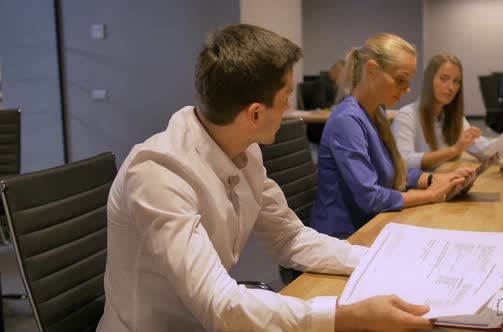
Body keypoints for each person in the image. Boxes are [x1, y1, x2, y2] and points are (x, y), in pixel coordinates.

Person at [97, 24, 433, 332]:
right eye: (286, 98)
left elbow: (289, 238)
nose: (288, 109)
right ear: (256, 113)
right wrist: (347, 316)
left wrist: (379, 262)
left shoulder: (244, 149)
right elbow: (220, 305)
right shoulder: (159, 174)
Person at [310, 33, 474, 239]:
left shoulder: (376, 113)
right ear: (372, 70)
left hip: (372, 224)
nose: (406, 89)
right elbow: (370, 198)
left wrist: (435, 178)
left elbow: (393, 172)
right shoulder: (347, 121)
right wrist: (430, 194)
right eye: (400, 80)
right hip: (344, 237)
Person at [392, 53, 503, 170]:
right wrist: (454, 150)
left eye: (456, 81)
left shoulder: (452, 117)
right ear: (429, 80)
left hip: (445, 186)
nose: (451, 87)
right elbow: (404, 162)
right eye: (444, 79)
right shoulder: (407, 116)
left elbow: (485, 151)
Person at [307, 60, 345, 143]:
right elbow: (319, 104)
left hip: (330, 122)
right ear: (333, 70)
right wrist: (338, 106)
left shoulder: (336, 85)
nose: (342, 77)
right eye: (341, 73)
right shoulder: (321, 83)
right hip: (319, 126)